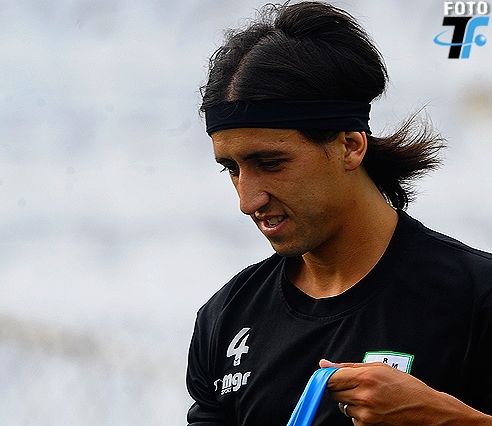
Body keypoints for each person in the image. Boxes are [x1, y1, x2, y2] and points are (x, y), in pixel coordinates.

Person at [186, 2, 492, 425]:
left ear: (350, 146)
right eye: (232, 169)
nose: (248, 200)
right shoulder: (225, 319)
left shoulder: (476, 298)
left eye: (270, 163)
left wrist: (450, 420)